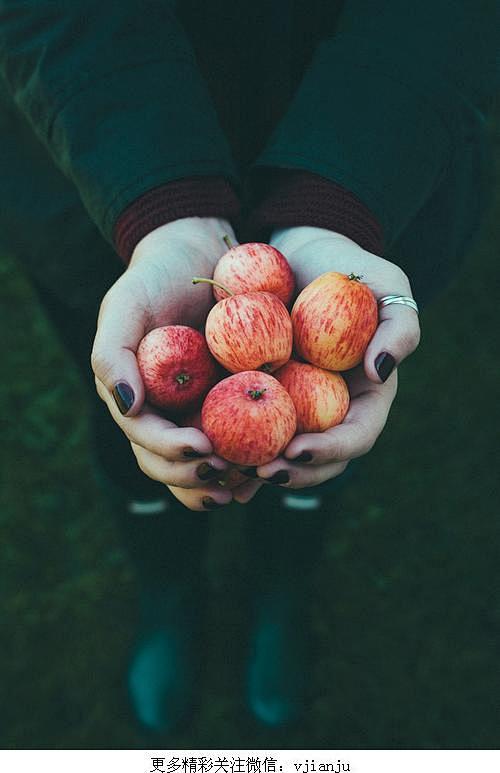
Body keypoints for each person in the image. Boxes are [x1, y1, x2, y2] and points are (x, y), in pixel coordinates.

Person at [0, 0, 497, 735]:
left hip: (365, 162)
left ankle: (282, 582)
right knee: (132, 406)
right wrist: (161, 201)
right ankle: (169, 586)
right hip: (110, 169)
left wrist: (340, 197)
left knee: (318, 436)